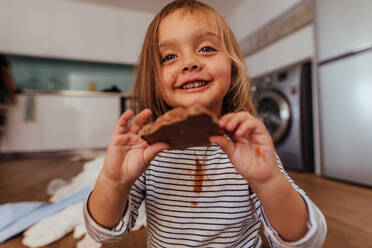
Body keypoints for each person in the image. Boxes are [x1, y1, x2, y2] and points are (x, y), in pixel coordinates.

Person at [84, 1, 327, 247]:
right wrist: (113, 181)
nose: (189, 63)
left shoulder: (247, 147)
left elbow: (307, 241)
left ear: (231, 66)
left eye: (207, 48)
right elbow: (104, 233)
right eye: (169, 56)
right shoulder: (147, 151)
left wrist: (268, 182)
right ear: (154, 78)